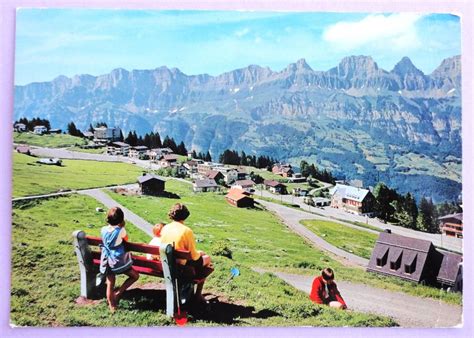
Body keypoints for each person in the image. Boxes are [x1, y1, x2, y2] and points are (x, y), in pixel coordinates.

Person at [159, 203, 213, 303]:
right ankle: (197, 294)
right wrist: (201, 253)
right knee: (208, 260)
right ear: (185, 215)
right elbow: (194, 257)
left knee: (200, 261)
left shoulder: (165, 228)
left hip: (166, 263)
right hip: (181, 266)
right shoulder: (187, 231)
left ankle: (191, 289)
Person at [100, 207, 140, 313]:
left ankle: (112, 306)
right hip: (118, 261)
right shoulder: (120, 230)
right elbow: (126, 239)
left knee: (110, 283)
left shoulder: (103, 229)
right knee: (135, 276)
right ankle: (118, 293)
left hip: (106, 260)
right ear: (121, 219)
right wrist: (122, 227)